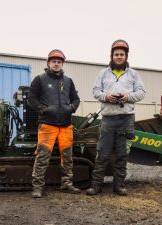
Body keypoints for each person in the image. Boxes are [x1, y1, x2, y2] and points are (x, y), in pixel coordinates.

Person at [86, 40, 146, 196]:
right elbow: (95, 91)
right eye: (116, 54)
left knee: (122, 154)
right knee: (102, 153)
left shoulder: (134, 74)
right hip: (108, 119)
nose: (119, 57)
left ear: (126, 56)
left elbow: (141, 93)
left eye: (122, 54)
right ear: (111, 56)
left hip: (126, 119)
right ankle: (96, 185)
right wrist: (106, 97)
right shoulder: (103, 73)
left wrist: (127, 97)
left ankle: (119, 185)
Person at [28, 49, 81, 198]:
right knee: (43, 156)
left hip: (65, 125)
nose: (56, 64)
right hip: (47, 125)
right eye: (54, 62)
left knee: (67, 157)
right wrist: (43, 109)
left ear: (62, 64)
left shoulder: (68, 81)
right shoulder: (39, 79)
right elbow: (31, 99)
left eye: (59, 62)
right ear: (48, 63)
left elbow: (76, 99)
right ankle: (37, 187)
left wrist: (71, 108)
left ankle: (67, 184)